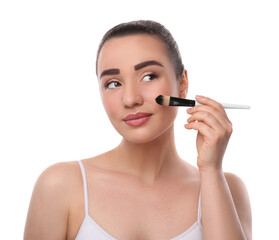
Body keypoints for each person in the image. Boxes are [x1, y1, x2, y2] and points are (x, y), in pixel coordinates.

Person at [24, 20, 252, 240]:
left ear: (182, 84)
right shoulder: (61, 185)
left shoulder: (227, 188)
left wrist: (211, 170)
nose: (131, 99)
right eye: (113, 83)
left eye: (148, 76)